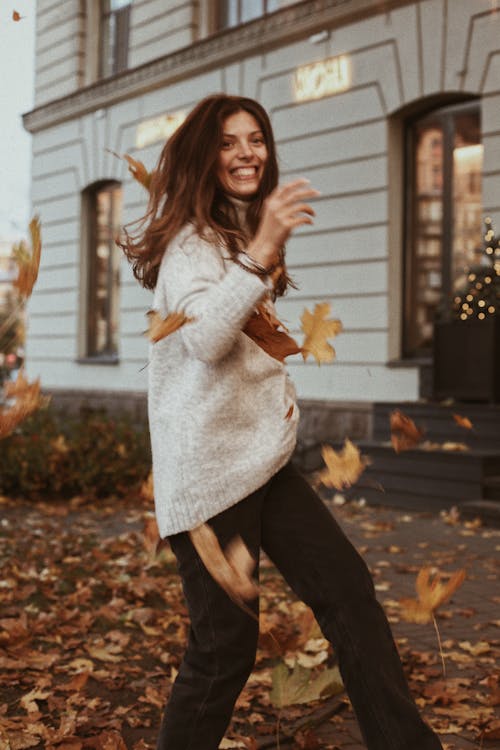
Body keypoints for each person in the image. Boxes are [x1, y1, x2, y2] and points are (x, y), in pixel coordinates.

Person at [121, 94, 443, 750]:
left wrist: (277, 396)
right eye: (229, 142)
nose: (247, 153)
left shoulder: (235, 238)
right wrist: (264, 245)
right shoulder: (191, 245)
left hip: (259, 466)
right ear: (204, 158)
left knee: (348, 591)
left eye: (256, 139)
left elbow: (242, 349)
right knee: (223, 648)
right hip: (211, 483)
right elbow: (208, 339)